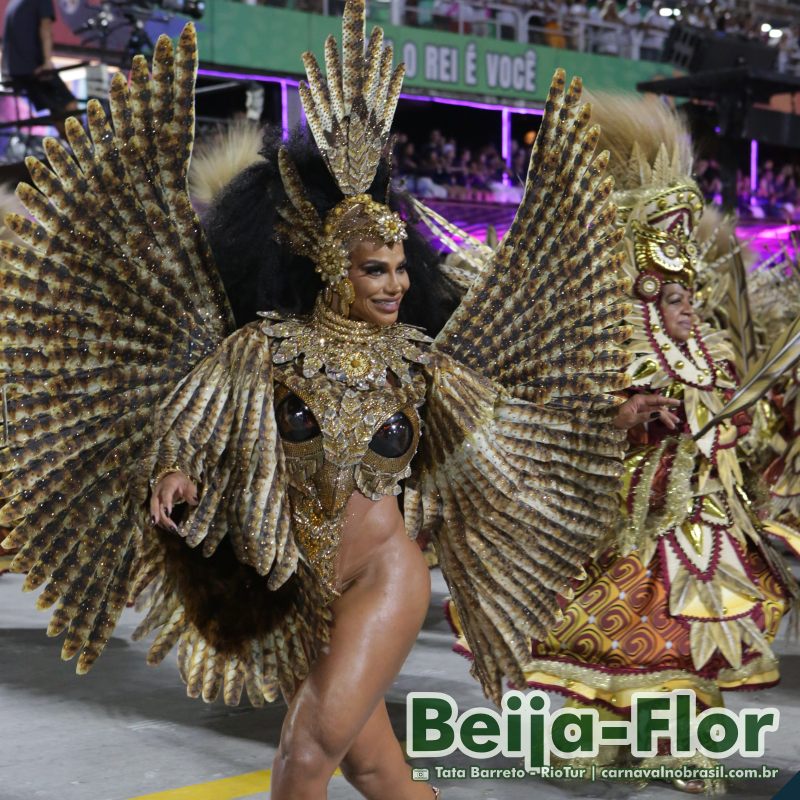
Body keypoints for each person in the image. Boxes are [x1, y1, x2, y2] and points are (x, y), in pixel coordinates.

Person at [0, 2, 633, 798]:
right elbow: (196, 422)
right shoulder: (262, 348)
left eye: (401, 267)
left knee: (303, 758)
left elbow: (514, 431)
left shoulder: (417, 362)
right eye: (376, 269)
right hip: (293, 583)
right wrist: (175, 475)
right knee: (377, 772)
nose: (397, 284)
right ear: (334, 269)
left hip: (381, 575)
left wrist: (611, 421)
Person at [519, 95, 796, 794]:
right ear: (644, 274)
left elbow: (740, 423)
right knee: (615, 634)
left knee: (691, 634)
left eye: (689, 295)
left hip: (701, 520)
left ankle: (678, 744)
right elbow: (561, 413)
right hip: (626, 521)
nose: (687, 304)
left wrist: (740, 428)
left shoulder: (703, 346)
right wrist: (627, 415)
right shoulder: (608, 337)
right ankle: (607, 738)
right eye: (674, 296)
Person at [1, 0, 78, 137]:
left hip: (15, 71)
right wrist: (47, 63)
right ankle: (81, 150)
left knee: (58, 109)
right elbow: (45, 27)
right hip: (33, 70)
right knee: (69, 107)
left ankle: (75, 149)